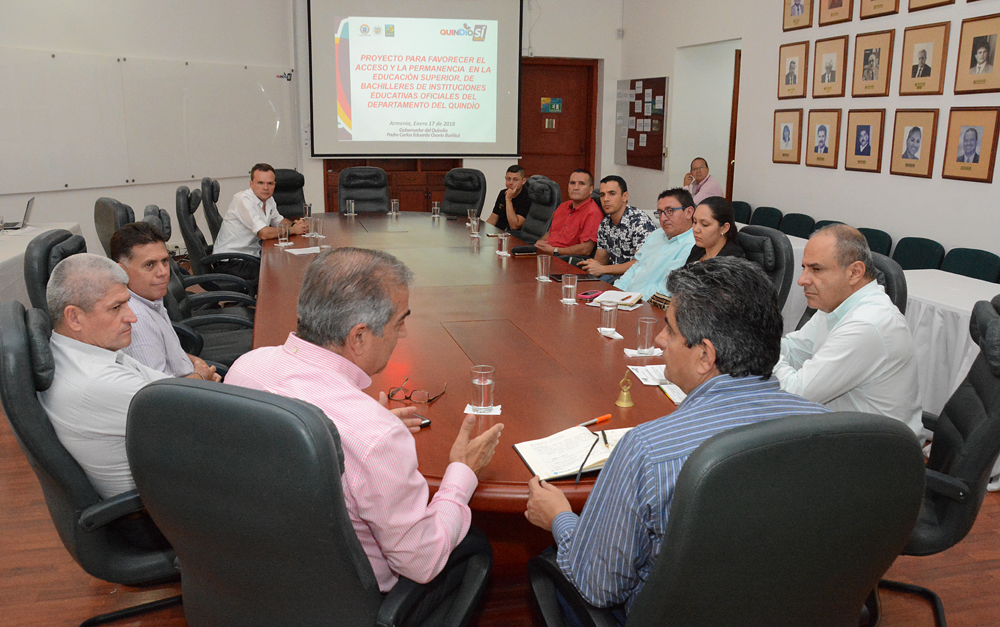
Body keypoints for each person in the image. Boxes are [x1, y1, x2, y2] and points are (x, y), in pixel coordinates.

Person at [524, 257, 830, 620]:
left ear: (704, 356)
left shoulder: (649, 449)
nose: (659, 339)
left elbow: (599, 585)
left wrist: (560, 517)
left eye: (669, 329)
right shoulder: (832, 428)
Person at [224, 247, 504, 591]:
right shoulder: (375, 436)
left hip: (254, 571)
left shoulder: (246, 367)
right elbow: (422, 561)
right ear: (358, 336)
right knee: (478, 547)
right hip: (344, 599)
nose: (402, 334)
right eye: (399, 322)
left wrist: (368, 430)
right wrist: (462, 472)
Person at [37, 254, 174, 499]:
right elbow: (203, 421)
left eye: (127, 303)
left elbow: (171, 390)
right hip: (156, 511)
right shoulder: (100, 382)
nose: (132, 317)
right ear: (74, 318)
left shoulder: (77, 350)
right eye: (116, 307)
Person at [774, 225, 922, 436]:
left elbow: (794, 394)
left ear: (855, 272)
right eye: (804, 268)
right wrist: (750, 343)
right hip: (845, 435)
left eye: (816, 269)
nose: (802, 280)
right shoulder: (836, 305)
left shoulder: (867, 324)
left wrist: (759, 351)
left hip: (878, 455)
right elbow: (794, 349)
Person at [110, 222, 221, 381]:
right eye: (150, 264)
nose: (163, 272)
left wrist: (197, 362)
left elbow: (168, 352)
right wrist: (202, 377)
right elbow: (161, 393)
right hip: (185, 398)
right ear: (121, 271)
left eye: (164, 261)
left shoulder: (149, 297)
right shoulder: (136, 319)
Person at [212, 163, 308, 282]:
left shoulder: (269, 199)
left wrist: (296, 225)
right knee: (279, 272)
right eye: (260, 183)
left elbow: (279, 220)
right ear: (251, 184)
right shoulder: (242, 200)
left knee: (286, 263)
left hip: (251, 256)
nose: (265, 188)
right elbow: (263, 233)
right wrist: (293, 230)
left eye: (270, 183)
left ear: (274, 185)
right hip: (231, 261)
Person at [614, 188, 696, 300]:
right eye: (660, 212)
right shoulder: (657, 234)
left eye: (670, 211)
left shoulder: (693, 246)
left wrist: (632, 299)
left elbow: (667, 288)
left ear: (689, 212)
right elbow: (636, 267)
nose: (663, 218)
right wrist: (615, 291)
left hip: (649, 306)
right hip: (626, 300)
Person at [578, 175, 655, 282]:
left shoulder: (639, 222)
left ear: (625, 196)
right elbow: (601, 260)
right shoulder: (605, 224)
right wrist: (589, 269)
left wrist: (603, 269)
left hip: (637, 279)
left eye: (612, 194)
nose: (606, 199)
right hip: (614, 276)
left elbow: (641, 263)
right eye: (602, 195)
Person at [534, 169, 603, 259]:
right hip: (545, 254)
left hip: (564, 259)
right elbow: (551, 232)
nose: (575, 187)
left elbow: (586, 249)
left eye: (581, 183)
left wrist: (555, 250)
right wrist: (541, 241)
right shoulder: (563, 206)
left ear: (591, 189)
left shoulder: (593, 213)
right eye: (572, 183)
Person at [684, 197, 744, 265]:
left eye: (705, 224)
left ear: (724, 228)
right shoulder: (697, 250)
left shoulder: (732, 262)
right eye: (695, 222)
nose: (695, 229)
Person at [485, 165, 532, 231]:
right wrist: (483, 231)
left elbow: (515, 226)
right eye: (508, 179)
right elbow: (493, 218)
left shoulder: (527, 197)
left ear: (523, 181)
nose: (510, 183)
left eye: (515, 180)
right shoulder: (503, 193)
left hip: (514, 236)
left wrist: (508, 200)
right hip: (498, 233)